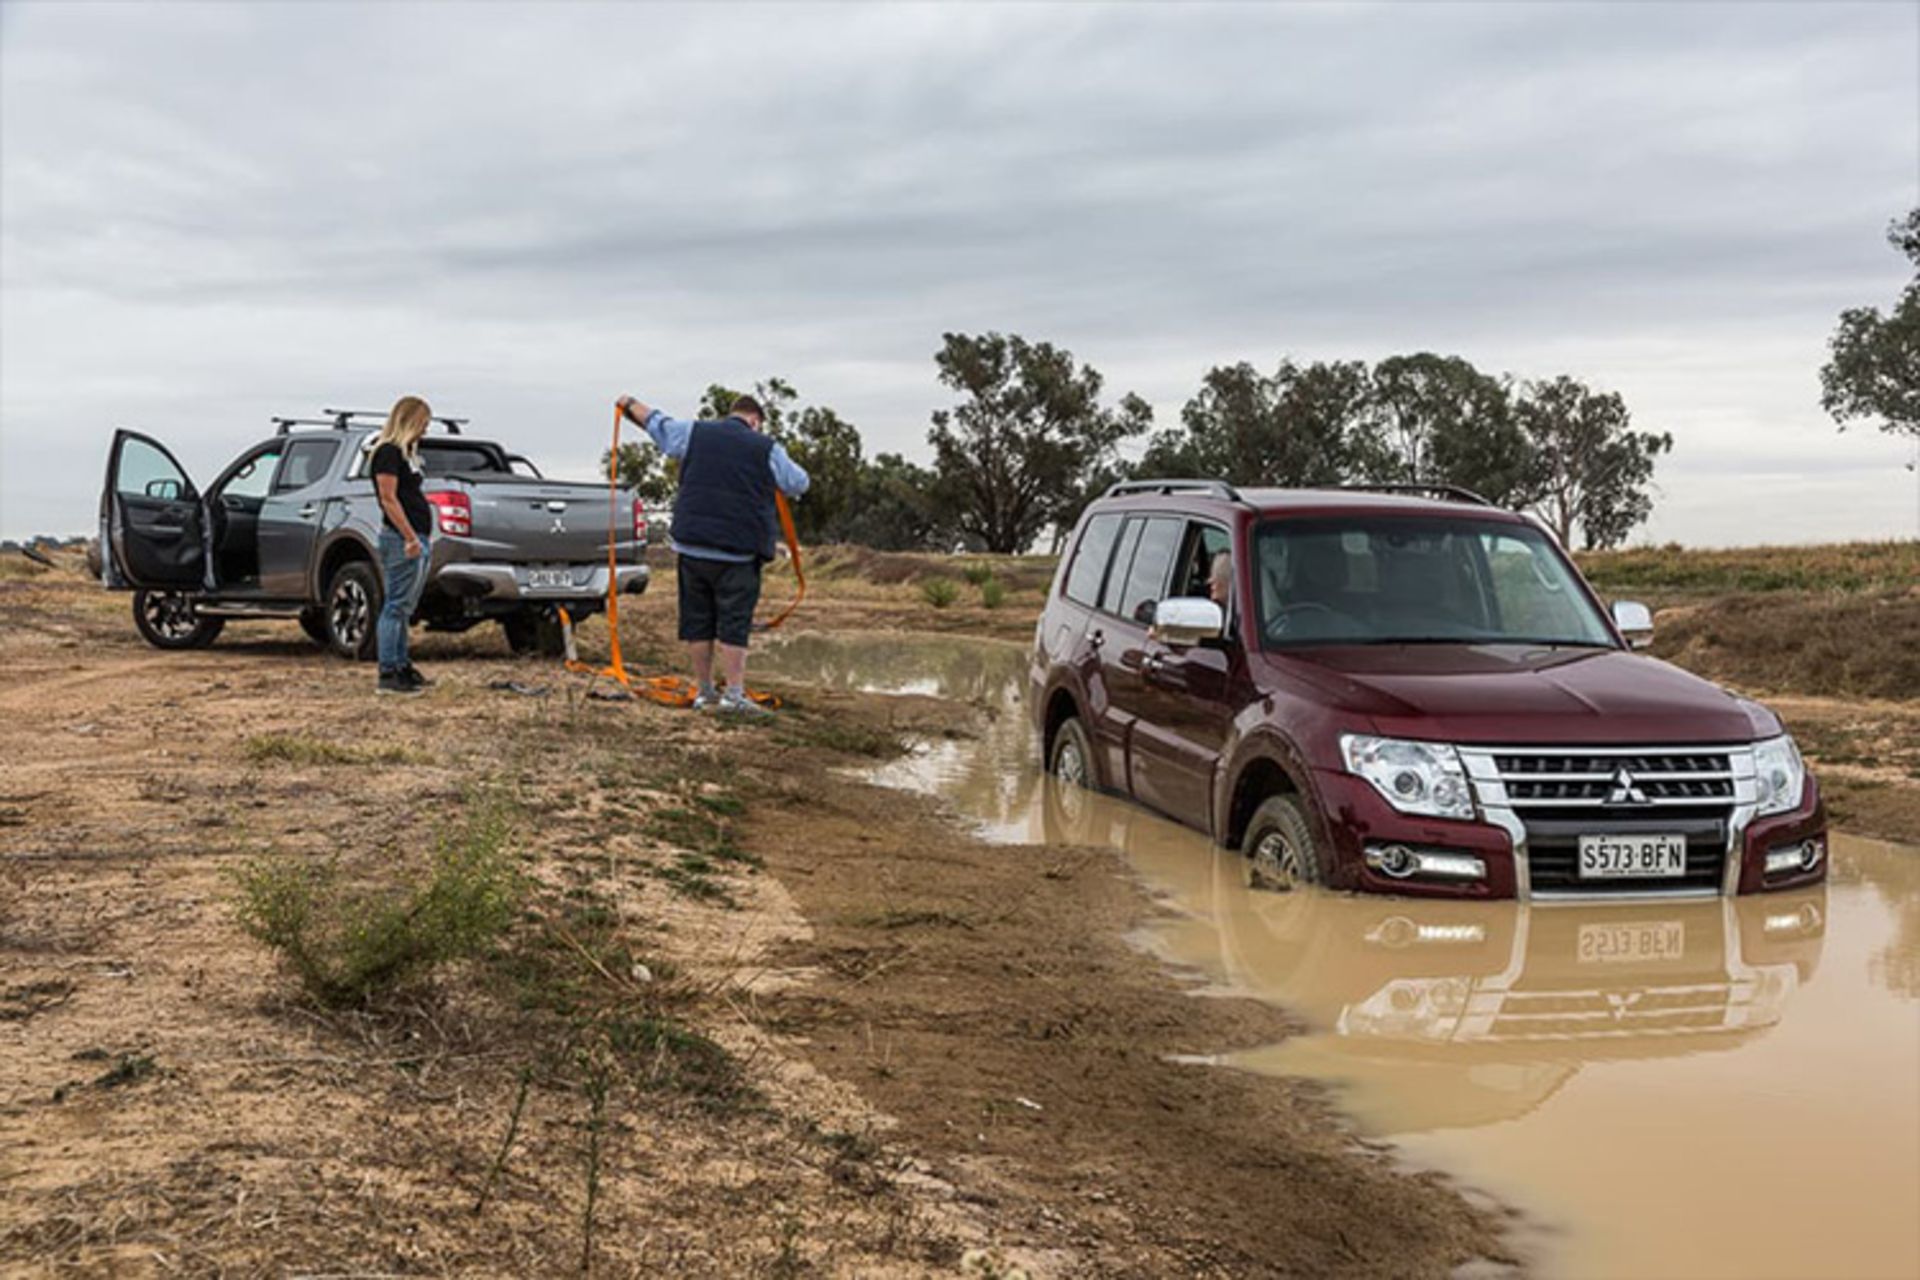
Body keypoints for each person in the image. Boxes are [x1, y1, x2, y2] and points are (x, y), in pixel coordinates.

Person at [616, 392, 810, 713]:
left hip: (692, 549)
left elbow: (657, 424)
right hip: (739, 553)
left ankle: (704, 693)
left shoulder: (695, 432)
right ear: (754, 421)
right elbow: (798, 482)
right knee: (734, 623)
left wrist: (628, 403)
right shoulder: (765, 447)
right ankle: (734, 695)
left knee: (698, 622)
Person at [369, 395, 435, 696]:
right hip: (401, 538)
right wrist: (409, 536)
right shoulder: (387, 453)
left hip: (418, 536)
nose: (425, 430)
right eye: (423, 423)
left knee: (405, 606)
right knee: (395, 605)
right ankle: (388, 670)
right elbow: (389, 498)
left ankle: (401, 663)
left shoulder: (408, 454)